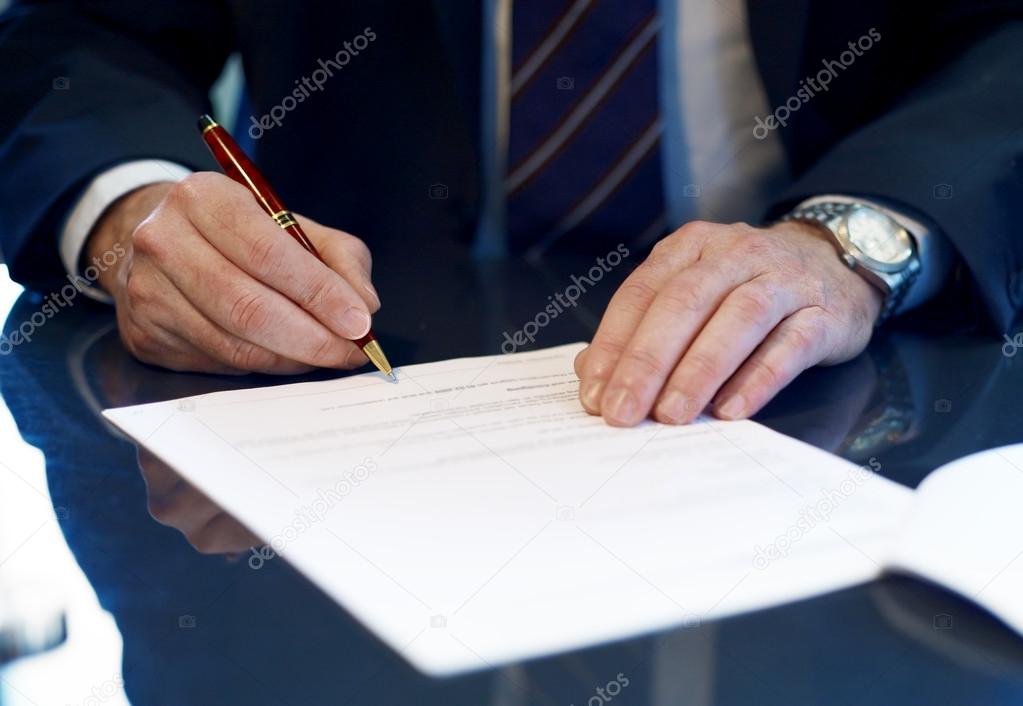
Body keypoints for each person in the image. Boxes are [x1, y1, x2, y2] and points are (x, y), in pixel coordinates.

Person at [0, 1, 1020, 428]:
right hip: (339, 371)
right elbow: (80, 31)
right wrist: (130, 210)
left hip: (841, 392)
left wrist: (857, 235)